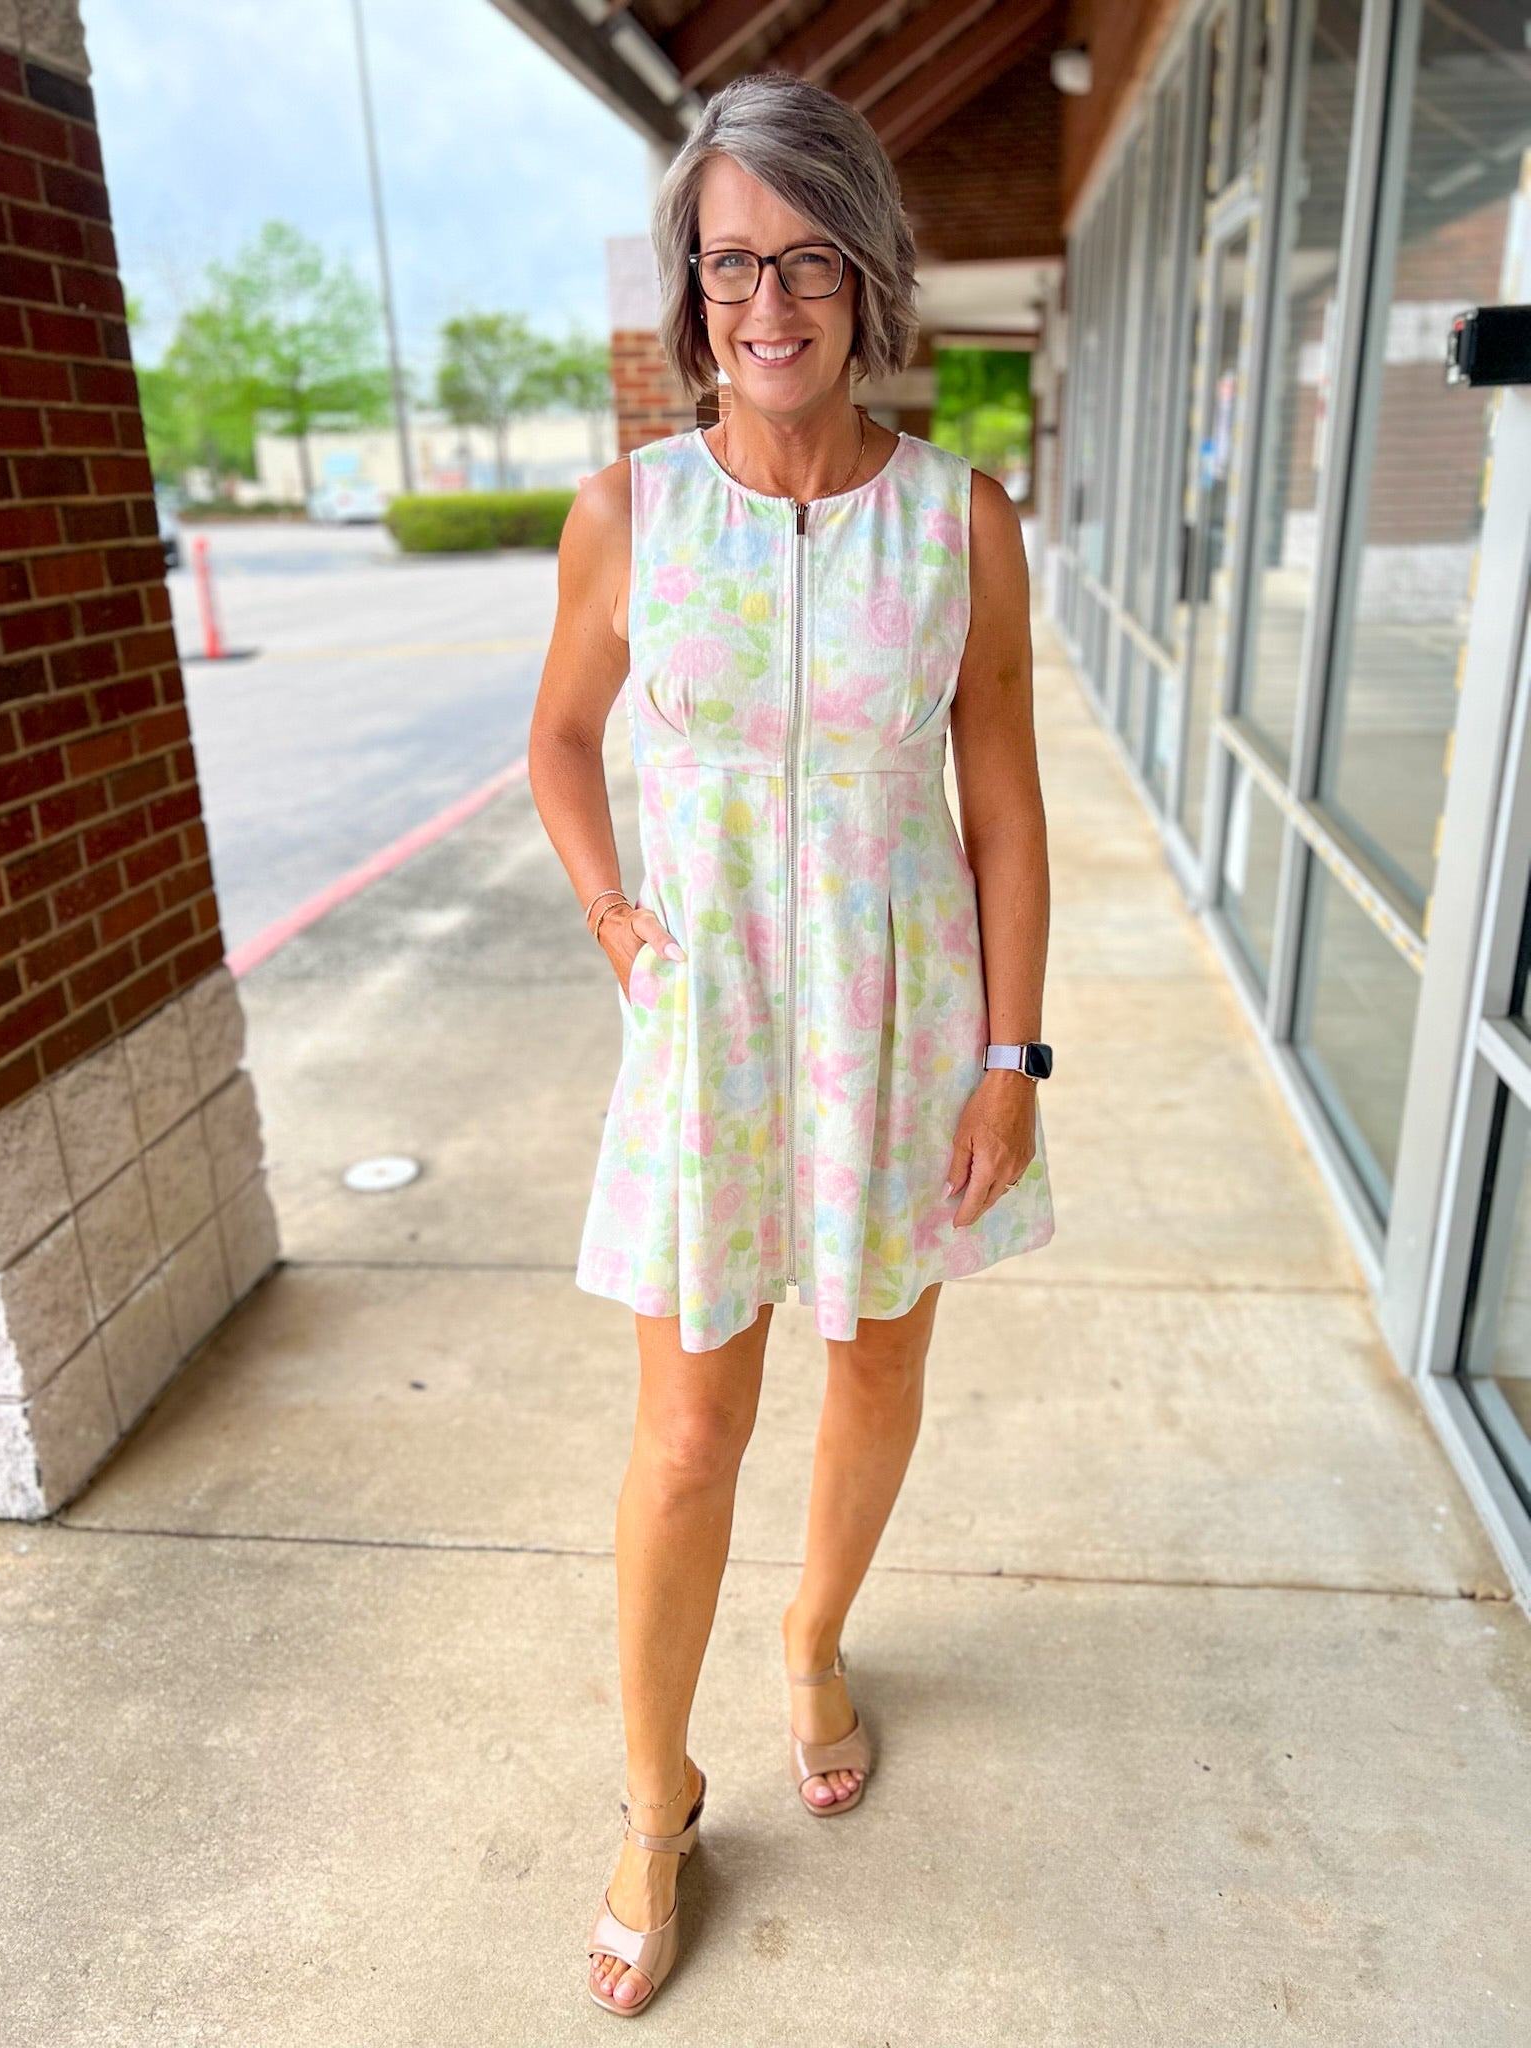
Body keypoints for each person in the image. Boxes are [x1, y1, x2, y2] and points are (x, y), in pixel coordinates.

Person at [527, 69, 1055, 2019]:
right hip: (715, 1029)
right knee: (686, 1431)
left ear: (868, 273)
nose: (769, 299)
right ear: (692, 286)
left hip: (906, 1024)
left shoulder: (960, 526)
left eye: (807, 255)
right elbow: (561, 740)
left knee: (878, 1354)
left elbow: (1002, 803)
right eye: (730, 259)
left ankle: (816, 1637)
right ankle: (655, 1797)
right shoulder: (627, 518)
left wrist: (1014, 1057)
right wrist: (612, 913)